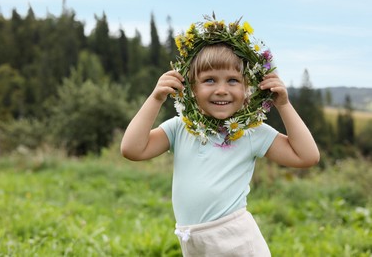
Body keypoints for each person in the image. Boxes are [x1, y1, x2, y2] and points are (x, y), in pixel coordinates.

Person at [121, 14, 319, 257]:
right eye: (209, 80)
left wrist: (284, 106)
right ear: (192, 86)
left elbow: (307, 156)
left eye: (233, 80)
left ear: (248, 89)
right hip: (193, 242)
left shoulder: (250, 132)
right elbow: (132, 149)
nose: (221, 90)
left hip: (235, 242)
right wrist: (155, 99)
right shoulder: (180, 127)